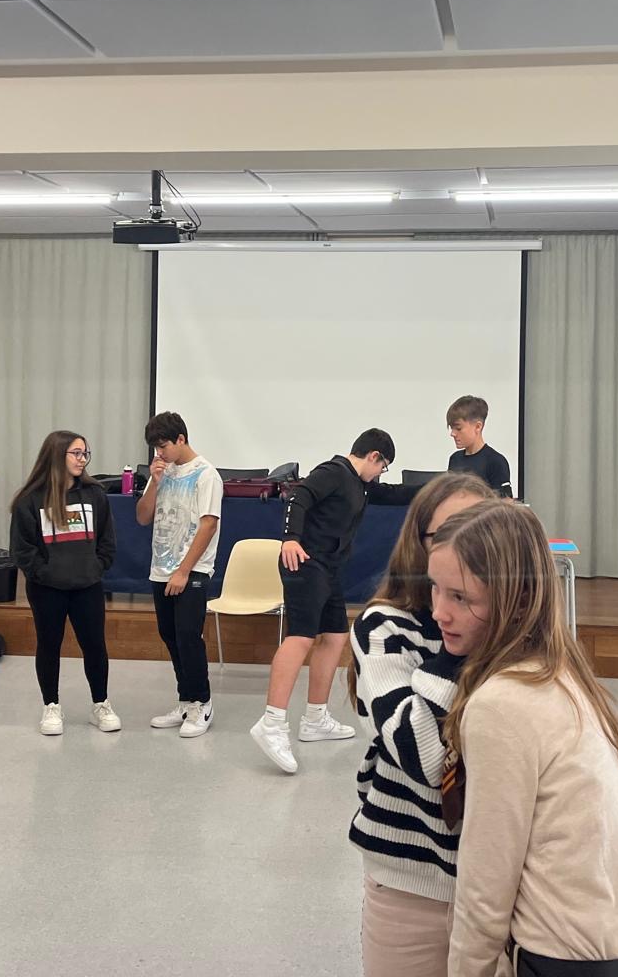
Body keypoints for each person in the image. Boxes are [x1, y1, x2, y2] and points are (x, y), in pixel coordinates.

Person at [434, 501, 618, 977]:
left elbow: (486, 884)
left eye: (461, 597)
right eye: (434, 589)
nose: (440, 612)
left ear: (517, 600)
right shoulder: (562, 671)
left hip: (564, 961)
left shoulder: (501, 703)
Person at [350, 471, 495, 977]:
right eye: (448, 534)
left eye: (479, 533)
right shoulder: (385, 626)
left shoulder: (511, 633)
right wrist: (459, 637)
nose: (464, 548)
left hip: (499, 883)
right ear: (420, 545)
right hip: (411, 883)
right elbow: (426, 758)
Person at [250, 428, 395, 775]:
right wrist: (290, 538)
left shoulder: (358, 483)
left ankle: (315, 718)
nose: (380, 474)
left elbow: (394, 493)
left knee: (335, 636)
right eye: (383, 466)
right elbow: (299, 498)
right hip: (304, 561)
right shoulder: (334, 472)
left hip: (328, 568)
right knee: (301, 637)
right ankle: (272, 723)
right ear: (373, 456)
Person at [10, 430, 119, 737]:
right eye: (76, 453)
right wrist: (44, 573)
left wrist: (96, 567)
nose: (82, 459)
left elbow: (107, 541)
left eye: (85, 454)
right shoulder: (29, 499)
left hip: (87, 586)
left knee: (95, 646)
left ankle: (101, 704)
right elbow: (22, 550)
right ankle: (51, 705)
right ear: (57, 456)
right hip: (47, 589)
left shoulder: (95, 495)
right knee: (49, 645)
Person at [136, 412, 222, 737]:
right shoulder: (162, 472)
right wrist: (155, 483)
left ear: (181, 439)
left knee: (188, 636)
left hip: (192, 570)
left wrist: (184, 571)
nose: (160, 453)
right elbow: (142, 517)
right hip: (160, 568)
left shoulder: (206, 474)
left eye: (164, 446)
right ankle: (186, 700)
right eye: (156, 448)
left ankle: (203, 702)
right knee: (169, 635)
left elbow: (208, 524)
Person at [445, 396, 512, 497]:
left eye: (458, 428)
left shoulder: (496, 461)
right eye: (451, 428)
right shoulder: (455, 459)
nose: (452, 433)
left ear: (478, 427)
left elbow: (505, 502)